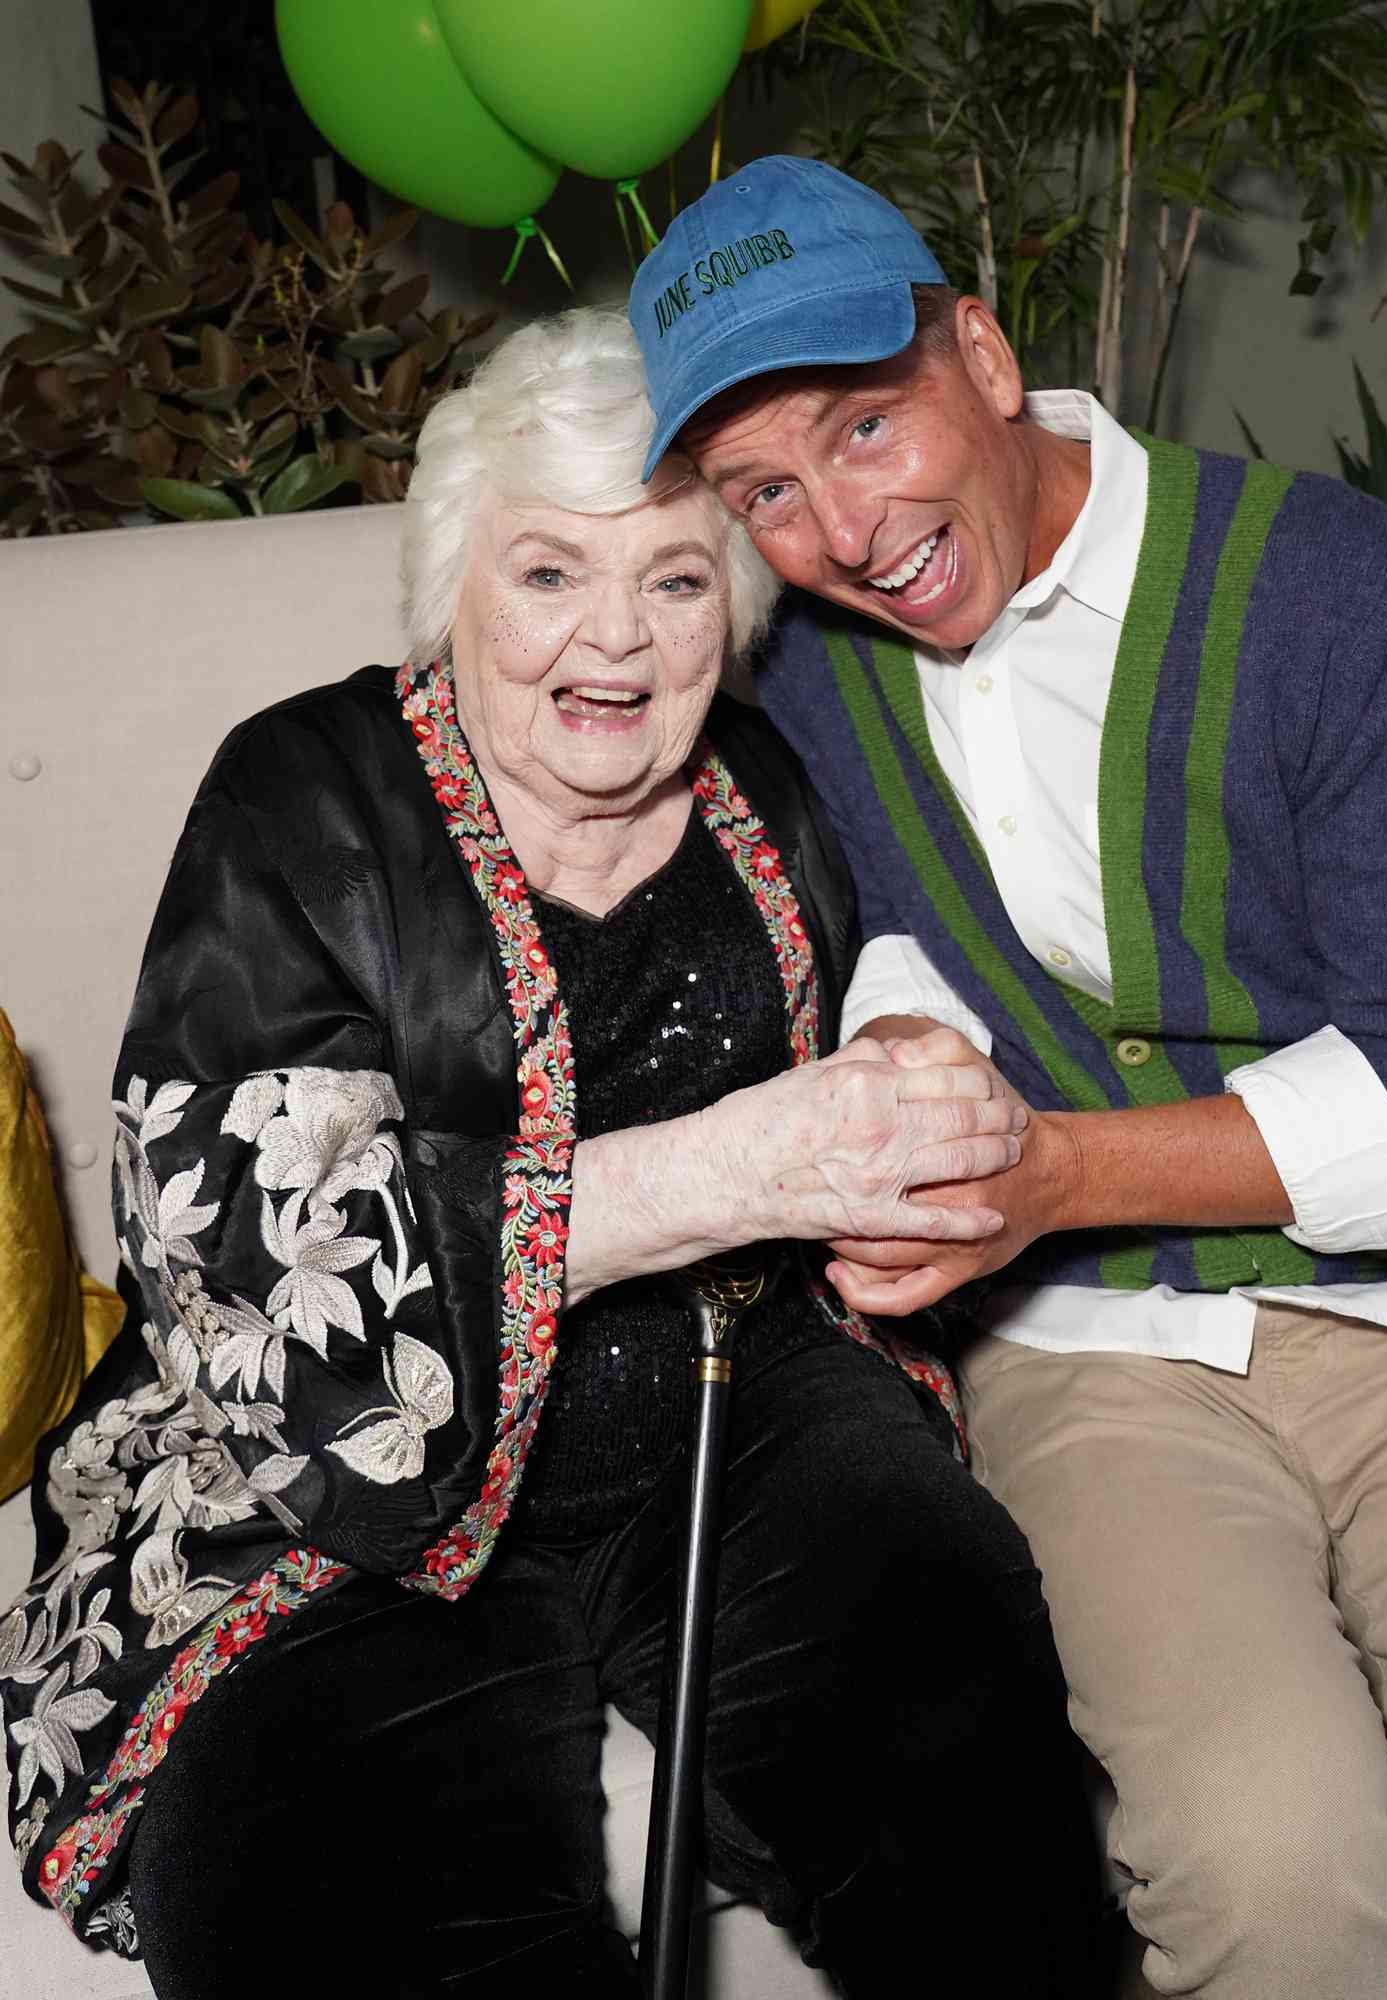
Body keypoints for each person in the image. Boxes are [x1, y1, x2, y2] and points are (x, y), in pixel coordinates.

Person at [627, 157, 1387, 2000]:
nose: (844, 531)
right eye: (763, 493)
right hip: (1094, 1366)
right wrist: (895, 1063)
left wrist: (1046, 1173)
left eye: (867, 428)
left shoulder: (1347, 603)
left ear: (984, 351)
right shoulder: (794, 692)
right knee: (1279, 1887)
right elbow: (849, 929)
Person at [0, 310, 1108, 1996]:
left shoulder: (764, 783)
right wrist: (728, 1169)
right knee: (375, 1927)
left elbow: (875, 1019)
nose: (613, 638)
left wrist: (906, 1091)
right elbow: (244, 1252)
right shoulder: (302, 792)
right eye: (545, 574)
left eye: (674, 579)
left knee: (975, 1821)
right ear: (452, 587)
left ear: (731, 610)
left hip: (737, 1405)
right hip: (330, 1504)